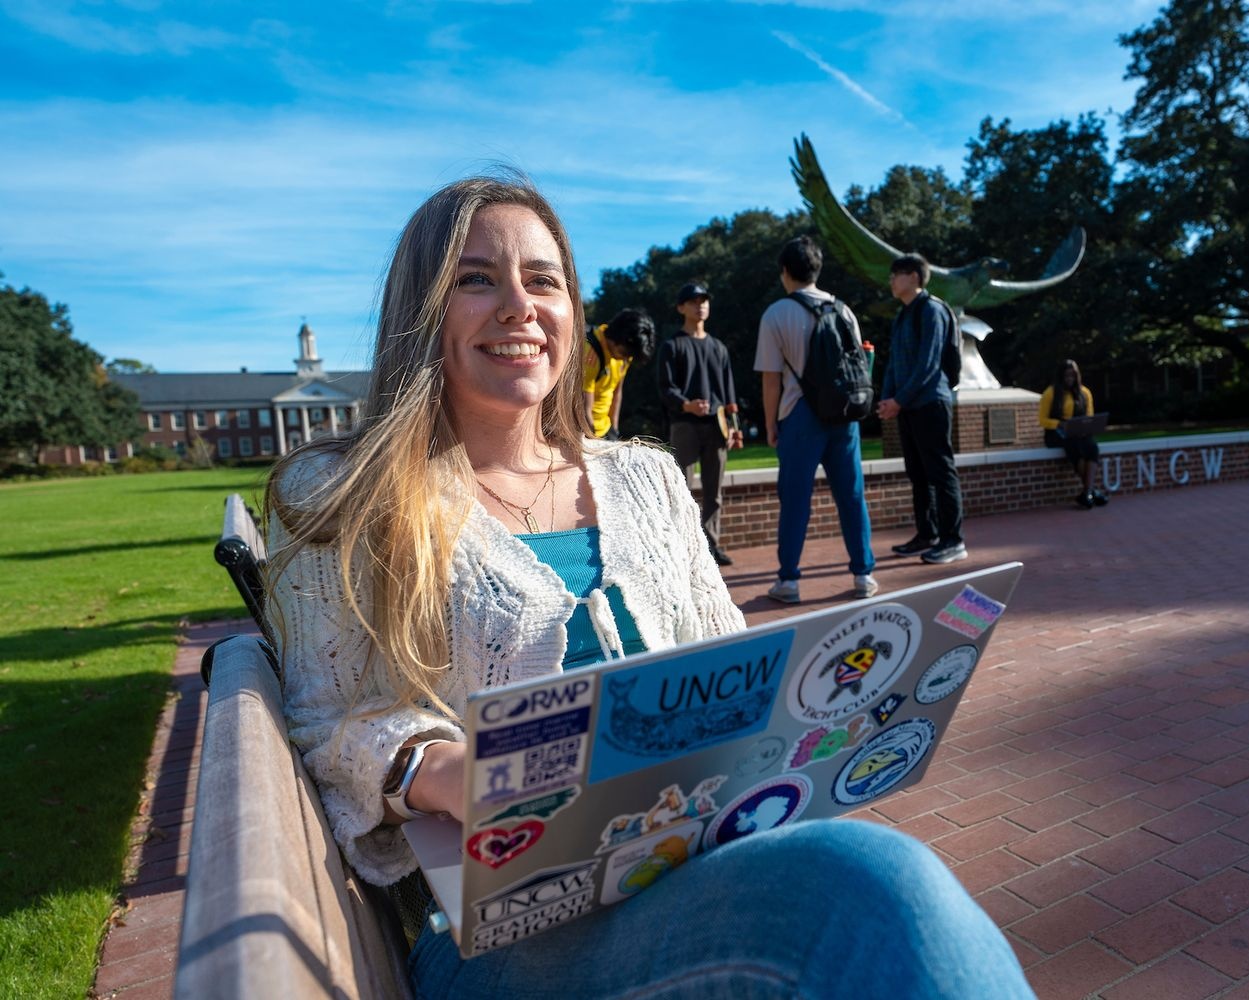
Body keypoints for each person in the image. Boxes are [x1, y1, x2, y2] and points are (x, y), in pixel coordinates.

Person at [264, 174, 1035, 1000]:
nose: (519, 306)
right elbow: (327, 718)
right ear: (421, 311)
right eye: (476, 278)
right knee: (874, 893)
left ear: (573, 312)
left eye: (544, 280)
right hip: (503, 931)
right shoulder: (346, 495)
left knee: (868, 899)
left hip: (691, 867)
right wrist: (448, 770)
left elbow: (735, 662)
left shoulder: (647, 479)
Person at [754, 235, 877, 604]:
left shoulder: (776, 314)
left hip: (800, 414)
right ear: (817, 269)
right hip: (844, 414)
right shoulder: (844, 310)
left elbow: (771, 377)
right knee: (852, 496)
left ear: (785, 271)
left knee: (795, 499)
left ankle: (789, 580)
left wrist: (771, 422)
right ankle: (863, 574)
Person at [879, 253, 967, 565]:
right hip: (908, 406)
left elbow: (929, 364)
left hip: (931, 402)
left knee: (940, 471)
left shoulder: (932, 311)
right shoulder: (903, 315)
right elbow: (894, 362)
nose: (891, 280)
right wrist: (888, 397)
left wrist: (898, 400)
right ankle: (926, 533)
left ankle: (952, 539)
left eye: (896, 274)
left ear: (914, 277)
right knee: (917, 473)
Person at [656, 281, 742, 567]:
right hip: (684, 426)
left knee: (714, 491)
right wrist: (686, 404)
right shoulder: (672, 346)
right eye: (693, 301)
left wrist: (734, 426)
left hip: (718, 427)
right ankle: (682, 548)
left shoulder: (718, 348)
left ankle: (712, 546)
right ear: (681, 307)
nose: (700, 305)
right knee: (682, 490)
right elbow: (665, 389)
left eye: (704, 300)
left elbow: (729, 393)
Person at [1038, 358, 1109, 509]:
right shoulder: (1050, 393)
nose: (1069, 379)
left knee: (1092, 447)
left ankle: (1087, 493)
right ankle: (1091, 492)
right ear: (1061, 376)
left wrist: (1086, 426)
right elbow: (1042, 420)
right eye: (1066, 376)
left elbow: (1089, 416)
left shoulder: (1085, 393)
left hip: (1080, 432)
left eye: (1072, 376)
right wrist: (1060, 424)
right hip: (1057, 433)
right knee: (1076, 447)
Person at [581, 308, 654, 440]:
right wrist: (595, 442)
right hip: (585, 429)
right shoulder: (590, 354)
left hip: (606, 428)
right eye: (624, 354)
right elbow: (584, 409)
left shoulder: (626, 354)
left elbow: (617, 392)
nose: (625, 359)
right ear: (614, 338)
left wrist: (614, 430)